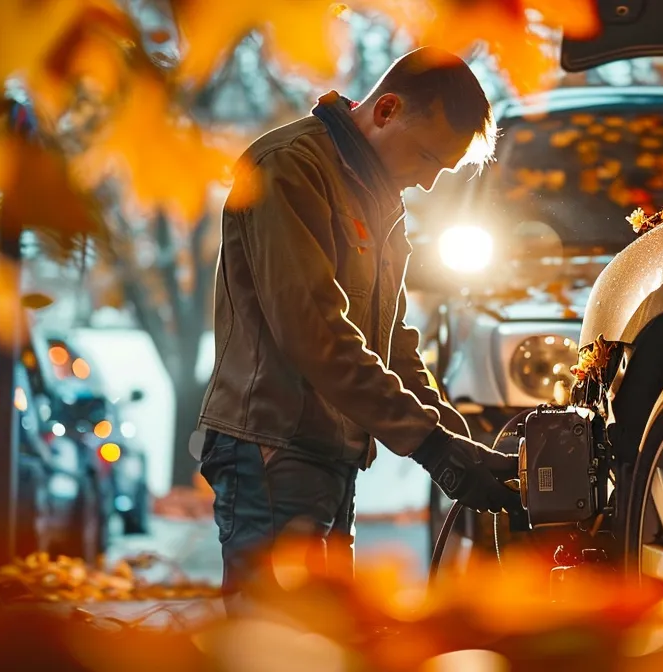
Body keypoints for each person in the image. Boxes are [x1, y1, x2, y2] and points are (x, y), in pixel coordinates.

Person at [195, 47, 521, 601]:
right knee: (274, 642)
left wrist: (457, 444)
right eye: (423, 157)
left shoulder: (378, 199)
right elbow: (313, 330)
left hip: (326, 453)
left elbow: (392, 344)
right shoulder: (288, 167)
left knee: (321, 642)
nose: (424, 182)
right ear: (387, 109)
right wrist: (430, 445)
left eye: (440, 170)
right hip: (272, 447)